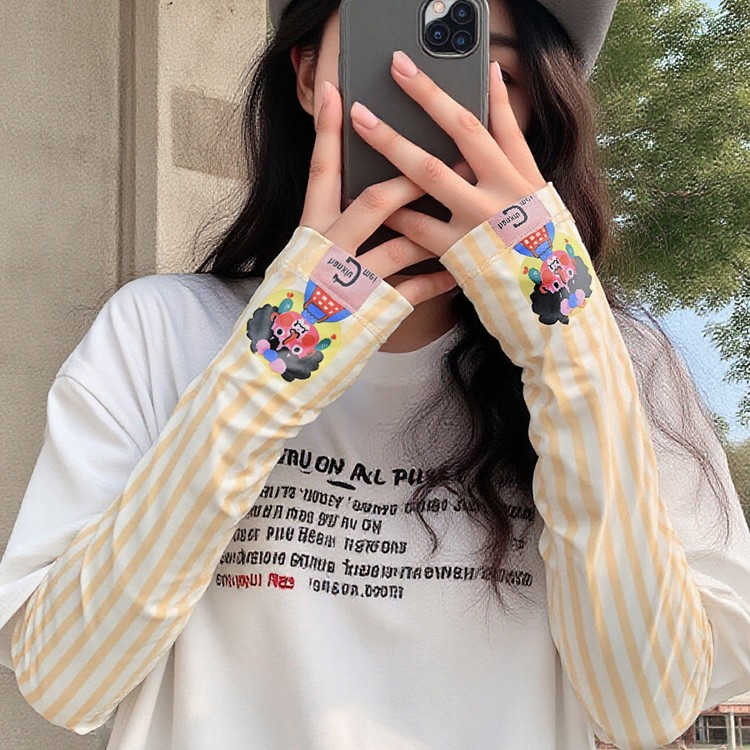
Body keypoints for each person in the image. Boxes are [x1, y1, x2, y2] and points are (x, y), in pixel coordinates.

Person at [1, 0, 749, 747]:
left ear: (538, 108)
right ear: (306, 77)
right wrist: (278, 358)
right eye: (386, 57)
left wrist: (566, 345)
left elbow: (642, 708)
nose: (428, 103)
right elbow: (66, 679)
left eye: (491, 71)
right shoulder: (165, 330)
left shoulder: (621, 360)